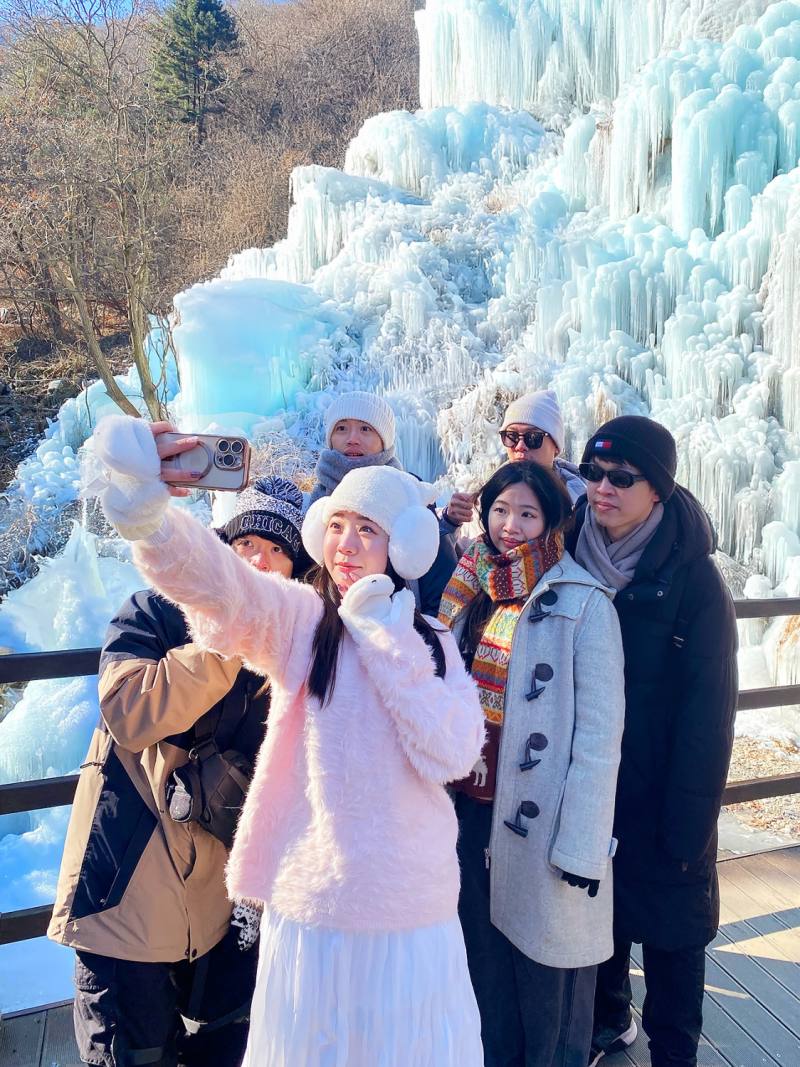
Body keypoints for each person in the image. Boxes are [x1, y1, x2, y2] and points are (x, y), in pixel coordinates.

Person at [89, 414, 486, 1067]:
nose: (346, 544)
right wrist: (150, 517)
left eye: (367, 529)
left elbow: (451, 752)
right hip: (312, 907)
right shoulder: (304, 622)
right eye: (337, 525)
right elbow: (226, 588)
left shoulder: (431, 641)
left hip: (409, 911)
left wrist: (384, 637)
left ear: (404, 546)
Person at [48, 476, 311, 1067]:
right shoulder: (157, 610)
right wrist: (226, 639)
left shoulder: (288, 649)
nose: (259, 562)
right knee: (132, 1053)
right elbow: (128, 712)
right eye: (246, 545)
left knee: (225, 1047)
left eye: (277, 551)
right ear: (221, 548)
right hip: (126, 894)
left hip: (218, 910)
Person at [438, 460, 626, 1067]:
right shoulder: (469, 588)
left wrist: (581, 847)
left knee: (548, 992)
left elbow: (599, 739)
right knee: (484, 974)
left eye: (527, 513)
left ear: (553, 522)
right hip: (471, 810)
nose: (510, 526)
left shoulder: (584, 604)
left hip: (542, 829)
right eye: (499, 510)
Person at [566, 416, 737, 1067]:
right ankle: (609, 1023)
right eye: (594, 472)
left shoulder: (694, 581)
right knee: (598, 926)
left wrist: (688, 830)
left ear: (658, 489)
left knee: (672, 942)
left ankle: (673, 1054)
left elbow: (709, 718)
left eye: (622, 477)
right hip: (591, 789)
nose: (603, 488)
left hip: (665, 799)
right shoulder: (566, 552)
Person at [309, 390, 457, 614]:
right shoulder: (316, 501)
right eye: (341, 428)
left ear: (384, 440)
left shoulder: (411, 499)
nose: (352, 439)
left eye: (365, 429)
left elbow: (439, 593)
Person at [442, 389, 586, 534]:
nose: (520, 446)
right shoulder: (482, 500)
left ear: (556, 447)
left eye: (533, 437)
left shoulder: (587, 506)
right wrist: (450, 523)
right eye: (512, 436)